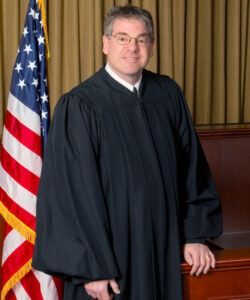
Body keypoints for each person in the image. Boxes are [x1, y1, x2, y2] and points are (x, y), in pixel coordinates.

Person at [32, 4, 222, 300]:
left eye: (141, 39)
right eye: (122, 38)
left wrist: (194, 235)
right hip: (109, 266)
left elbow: (192, 170)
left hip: (163, 251)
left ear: (152, 47)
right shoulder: (80, 106)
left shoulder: (168, 94)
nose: (133, 48)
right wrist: (91, 268)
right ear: (106, 43)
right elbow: (70, 196)